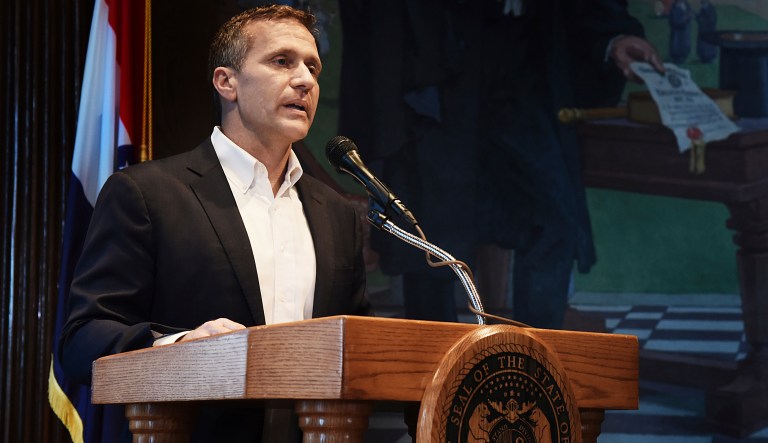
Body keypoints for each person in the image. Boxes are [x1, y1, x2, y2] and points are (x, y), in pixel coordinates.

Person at [59, 5, 370, 441]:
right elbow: (82, 339)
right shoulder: (147, 194)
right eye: (282, 61)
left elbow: (359, 347)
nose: (305, 80)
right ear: (227, 82)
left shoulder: (336, 214)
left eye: (312, 67)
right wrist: (181, 347)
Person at [337, 0, 663, 329]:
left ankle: (534, 355)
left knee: (554, 219)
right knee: (431, 225)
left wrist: (615, 37)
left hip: (525, 59)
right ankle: (434, 357)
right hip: (435, 58)